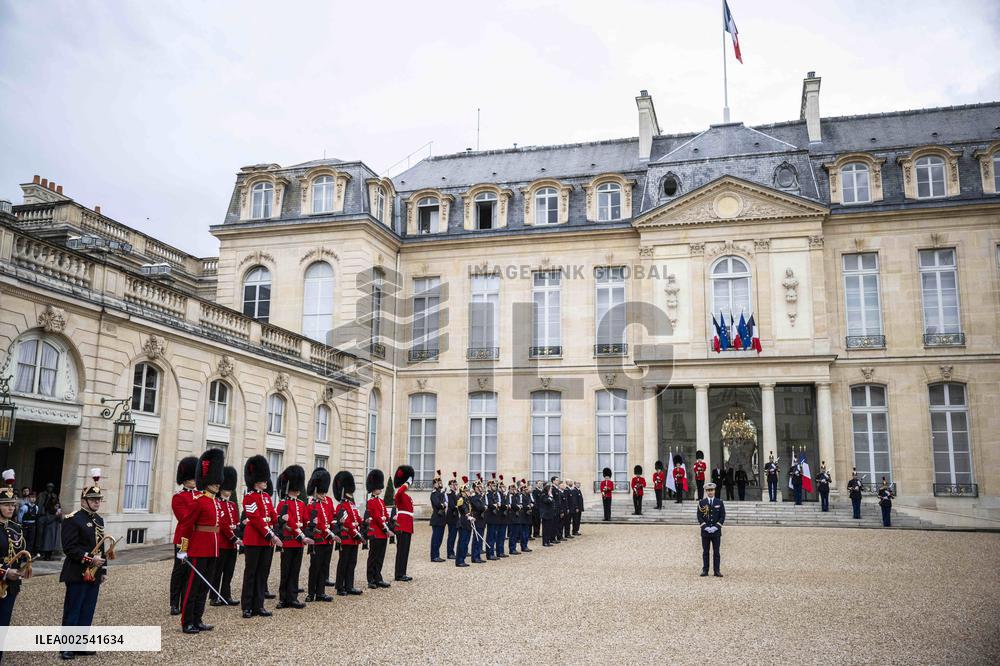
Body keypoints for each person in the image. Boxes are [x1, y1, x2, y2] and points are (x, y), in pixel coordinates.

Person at [176, 449, 237, 633]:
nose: (218, 485)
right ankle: (187, 621)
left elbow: (223, 524)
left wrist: (234, 538)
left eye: (218, 482)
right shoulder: (198, 501)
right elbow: (186, 526)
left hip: (213, 549)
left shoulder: (217, 503)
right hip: (198, 549)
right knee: (192, 588)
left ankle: (198, 619)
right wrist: (183, 548)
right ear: (207, 482)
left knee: (203, 587)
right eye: (214, 482)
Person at [59, 469, 114, 661]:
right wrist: (90, 560)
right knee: (73, 608)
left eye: (98, 499)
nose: (97, 502)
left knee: (88, 609)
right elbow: (69, 548)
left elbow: (102, 546)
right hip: (77, 571)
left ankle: (80, 644)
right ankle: (66, 647)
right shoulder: (73, 519)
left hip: (95, 572)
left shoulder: (98, 519)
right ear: (83, 501)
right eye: (93, 499)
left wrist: (103, 568)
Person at [240, 455, 281, 619]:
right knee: (251, 573)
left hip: (266, 540)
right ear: (256, 480)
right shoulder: (249, 497)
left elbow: (272, 514)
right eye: (263, 479)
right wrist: (270, 534)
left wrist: (281, 523)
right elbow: (255, 519)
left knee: (262, 573)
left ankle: (259, 605)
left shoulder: (265, 497)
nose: (266, 481)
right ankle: (247, 606)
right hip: (255, 539)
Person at [275, 465, 312, 610]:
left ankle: (293, 597)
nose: (298, 490)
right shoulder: (283, 504)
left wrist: (308, 530)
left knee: (295, 571)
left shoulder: (301, 504)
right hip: (288, 542)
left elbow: (305, 520)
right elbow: (284, 522)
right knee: (286, 571)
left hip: (299, 543)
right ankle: (283, 598)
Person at [0, 470, 31, 630]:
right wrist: (4, 572)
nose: (11, 508)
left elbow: (19, 554)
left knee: (4, 623)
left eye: (13, 505)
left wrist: (23, 568)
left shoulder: (16, 528)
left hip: (11, 584)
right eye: (6, 505)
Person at [170, 456, 198, 615]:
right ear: (184, 479)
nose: (193, 481)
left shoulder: (199, 495)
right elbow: (184, 518)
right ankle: (174, 603)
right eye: (190, 478)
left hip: (196, 539)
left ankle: (186, 601)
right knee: (180, 570)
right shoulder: (178, 497)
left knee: (191, 572)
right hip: (184, 540)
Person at [209, 466, 240, 607]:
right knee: (217, 571)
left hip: (232, 544)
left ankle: (226, 595)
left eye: (230, 488)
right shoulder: (217, 503)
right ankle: (214, 596)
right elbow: (222, 523)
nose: (228, 491)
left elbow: (236, 523)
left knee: (229, 571)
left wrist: (237, 535)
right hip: (222, 542)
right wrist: (233, 536)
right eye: (227, 488)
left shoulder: (232, 505)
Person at [305, 467, 335, 602]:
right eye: (321, 492)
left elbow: (332, 517)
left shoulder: (328, 502)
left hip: (328, 540)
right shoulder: (311, 505)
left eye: (324, 492)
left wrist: (334, 528)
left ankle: (321, 592)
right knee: (315, 567)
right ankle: (311, 593)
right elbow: (312, 523)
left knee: (324, 566)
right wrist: (326, 531)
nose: (323, 494)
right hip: (317, 540)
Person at [333, 470, 363, 596]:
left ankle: (349, 585)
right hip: (347, 537)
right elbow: (347, 523)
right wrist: (355, 532)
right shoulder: (342, 506)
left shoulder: (352, 505)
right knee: (344, 562)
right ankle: (340, 586)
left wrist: (363, 524)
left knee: (352, 562)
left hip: (354, 538)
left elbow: (357, 518)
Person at [365, 469, 393, 589]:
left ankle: (378, 577)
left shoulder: (381, 501)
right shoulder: (371, 502)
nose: (380, 489)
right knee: (373, 556)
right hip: (376, 532)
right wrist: (386, 528)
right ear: (373, 488)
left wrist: (387, 520)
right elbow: (377, 517)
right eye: (378, 487)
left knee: (380, 556)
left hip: (382, 533)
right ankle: (371, 579)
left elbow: (385, 515)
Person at [697, 482, 726, 578]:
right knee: (705, 552)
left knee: (716, 552)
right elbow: (699, 516)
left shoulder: (719, 502)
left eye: (712, 490)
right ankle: (705, 570)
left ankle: (716, 570)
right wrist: (705, 526)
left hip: (716, 531)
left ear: (714, 491)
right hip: (705, 531)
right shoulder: (702, 502)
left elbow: (722, 516)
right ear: (706, 491)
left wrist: (716, 527)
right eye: (708, 490)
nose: (710, 492)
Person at [392, 465, 415, 582]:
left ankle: (402, 572)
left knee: (405, 551)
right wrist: (406, 483)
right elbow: (399, 493)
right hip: (402, 525)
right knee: (401, 550)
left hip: (407, 525)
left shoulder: (407, 496)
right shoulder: (399, 494)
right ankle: (398, 574)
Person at [35, 481, 62, 561]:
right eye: (49, 487)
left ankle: (47, 553)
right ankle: (38, 552)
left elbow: (57, 505)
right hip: (42, 515)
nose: (50, 488)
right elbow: (40, 504)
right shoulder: (42, 494)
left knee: (48, 536)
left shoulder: (54, 495)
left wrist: (56, 511)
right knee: (39, 534)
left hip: (50, 515)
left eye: (51, 487)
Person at [428, 471, 447, 562]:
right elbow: (438, 504)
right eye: (438, 483)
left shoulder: (440, 493)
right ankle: (434, 556)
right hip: (437, 518)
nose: (440, 484)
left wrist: (444, 502)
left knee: (440, 538)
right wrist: (443, 504)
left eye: (440, 483)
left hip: (442, 519)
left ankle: (437, 555)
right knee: (436, 539)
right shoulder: (434, 494)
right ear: (434, 484)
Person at [454, 479, 473, 567]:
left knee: (466, 542)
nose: (469, 492)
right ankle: (459, 561)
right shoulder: (461, 499)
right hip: (463, 522)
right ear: (463, 492)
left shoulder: (467, 500)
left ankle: (463, 558)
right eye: (467, 491)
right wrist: (468, 515)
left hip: (468, 522)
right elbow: (463, 508)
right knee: (462, 541)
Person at [469, 477, 487, 563]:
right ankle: (475, 557)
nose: (481, 488)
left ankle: (478, 556)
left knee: (480, 538)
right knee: (476, 538)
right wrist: (484, 507)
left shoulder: (480, 496)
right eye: (479, 486)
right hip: (477, 519)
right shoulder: (474, 497)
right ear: (476, 488)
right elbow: (479, 507)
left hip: (482, 519)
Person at [17, 489, 38, 557]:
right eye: (31, 497)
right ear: (29, 498)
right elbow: (20, 517)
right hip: (25, 525)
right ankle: (21, 555)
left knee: (31, 541)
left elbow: (35, 515)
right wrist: (21, 524)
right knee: (24, 541)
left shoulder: (36, 507)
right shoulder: (24, 507)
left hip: (32, 525)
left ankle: (28, 556)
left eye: (34, 498)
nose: (33, 499)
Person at [485, 475, 501, 560]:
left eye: (496, 485)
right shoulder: (488, 494)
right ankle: (489, 554)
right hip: (491, 518)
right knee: (490, 536)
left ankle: (492, 552)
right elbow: (489, 504)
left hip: (495, 518)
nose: (496, 487)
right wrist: (495, 505)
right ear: (490, 486)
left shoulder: (495, 494)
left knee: (494, 536)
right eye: (494, 485)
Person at [445, 472, 460, 559]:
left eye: (456, 484)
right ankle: (450, 553)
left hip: (457, 517)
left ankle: (453, 551)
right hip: (452, 517)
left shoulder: (457, 494)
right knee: (452, 536)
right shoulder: (449, 495)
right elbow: (451, 505)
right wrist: (457, 506)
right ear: (450, 486)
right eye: (453, 485)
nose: (455, 486)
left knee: (455, 536)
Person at [540, 481, 556, 547]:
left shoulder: (548, 495)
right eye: (550, 489)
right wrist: (550, 496)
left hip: (550, 514)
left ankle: (548, 541)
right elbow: (547, 501)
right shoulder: (543, 495)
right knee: (545, 529)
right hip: (546, 514)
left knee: (549, 528)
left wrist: (550, 496)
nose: (551, 490)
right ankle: (545, 542)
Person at [507, 480, 521, 554]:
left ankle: (514, 548)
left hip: (517, 517)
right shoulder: (509, 496)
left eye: (514, 489)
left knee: (515, 534)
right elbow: (513, 505)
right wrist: (518, 507)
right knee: (512, 534)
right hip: (512, 517)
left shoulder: (516, 496)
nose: (513, 490)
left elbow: (519, 502)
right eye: (512, 489)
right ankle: (512, 549)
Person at [519, 482, 533, 552]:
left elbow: (531, 502)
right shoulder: (521, 496)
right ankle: (523, 546)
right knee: (523, 533)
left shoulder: (528, 495)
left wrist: (530, 505)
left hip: (528, 515)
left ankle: (526, 545)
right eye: (525, 489)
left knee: (527, 532)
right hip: (523, 515)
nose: (527, 490)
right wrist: (527, 506)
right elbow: (521, 505)